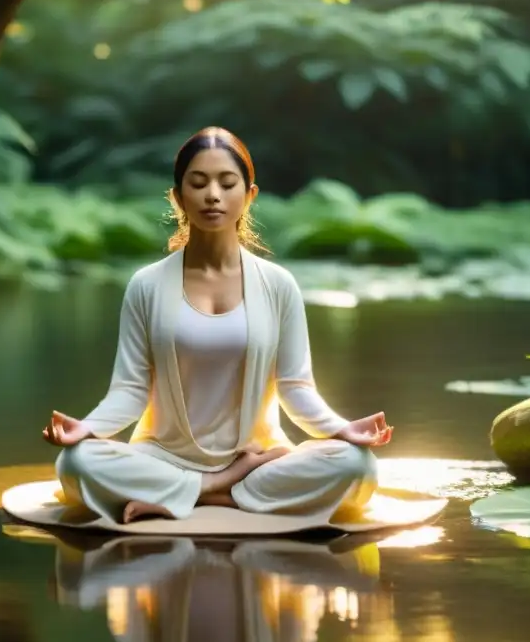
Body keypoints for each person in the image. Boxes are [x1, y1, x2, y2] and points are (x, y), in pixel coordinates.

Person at [42, 127, 392, 525]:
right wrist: (85, 429)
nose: (213, 194)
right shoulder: (147, 285)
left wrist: (343, 429)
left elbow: (297, 388)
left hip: (258, 458)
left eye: (227, 183)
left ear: (249, 196)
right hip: (164, 456)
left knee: (356, 466)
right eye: (198, 183)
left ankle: (194, 494)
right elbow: (130, 390)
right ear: (177, 196)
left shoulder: (278, 285)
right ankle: (220, 488)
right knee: (77, 462)